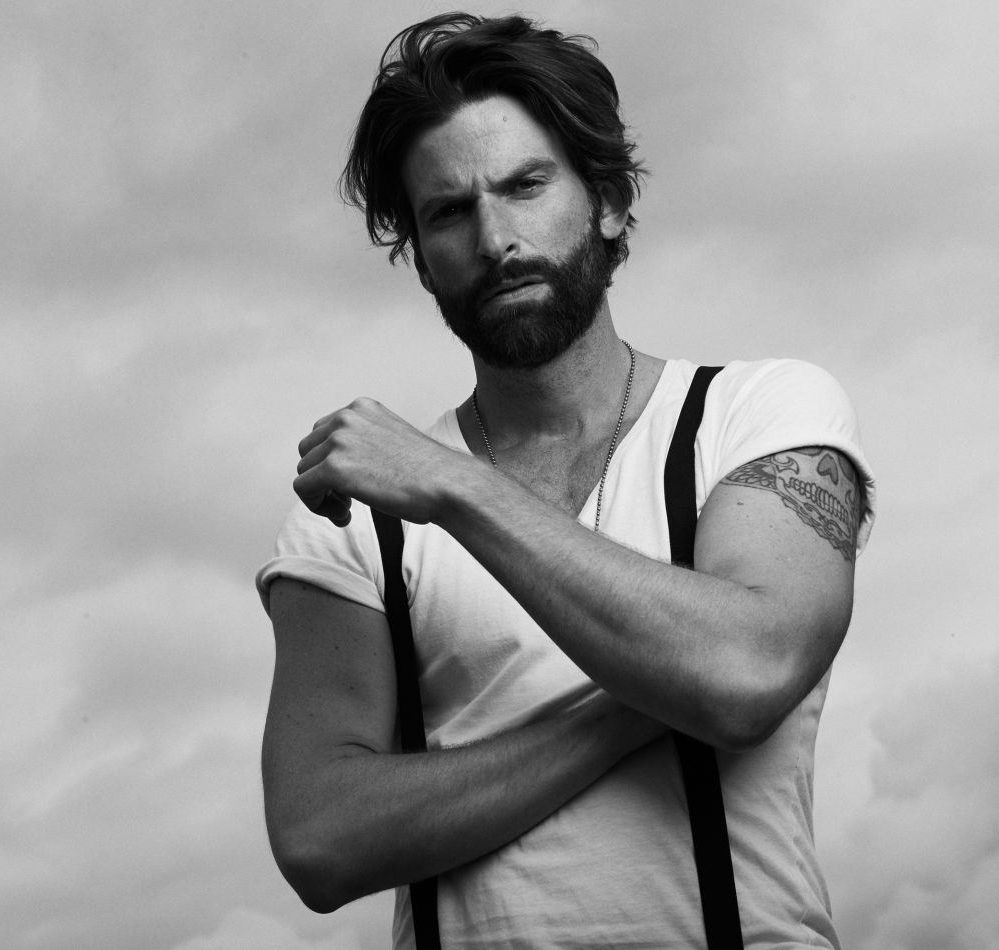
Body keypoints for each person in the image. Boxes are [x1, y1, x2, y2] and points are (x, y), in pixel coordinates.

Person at [257, 12, 875, 949]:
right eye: (448, 211)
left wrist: (455, 486)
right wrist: (643, 705)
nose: (495, 238)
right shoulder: (360, 516)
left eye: (525, 186)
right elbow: (320, 838)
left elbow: (745, 675)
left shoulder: (759, 412)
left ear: (608, 202)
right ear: (419, 258)